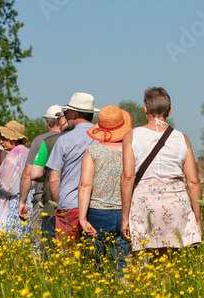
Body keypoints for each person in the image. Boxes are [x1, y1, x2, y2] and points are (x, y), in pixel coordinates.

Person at [121, 87, 202, 257]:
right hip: (176, 206)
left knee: (142, 260)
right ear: (170, 111)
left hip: (144, 205)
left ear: (145, 110)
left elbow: (128, 177)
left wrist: (125, 217)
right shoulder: (182, 138)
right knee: (171, 261)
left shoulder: (132, 136)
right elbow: (193, 181)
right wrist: (197, 219)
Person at [78, 105, 132, 273]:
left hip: (97, 213)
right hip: (125, 212)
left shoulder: (93, 151)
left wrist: (82, 218)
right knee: (124, 265)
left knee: (95, 266)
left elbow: (85, 185)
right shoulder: (131, 151)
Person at [46, 92, 99, 247]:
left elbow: (54, 179)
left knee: (66, 257)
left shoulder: (64, 140)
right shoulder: (102, 138)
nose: (65, 116)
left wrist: (58, 205)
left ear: (75, 114)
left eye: (67, 113)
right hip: (95, 205)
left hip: (69, 204)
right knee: (93, 256)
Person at [18, 105, 63, 247]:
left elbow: (28, 174)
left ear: (48, 122)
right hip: (70, 201)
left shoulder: (40, 141)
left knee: (40, 244)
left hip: (42, 199)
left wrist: (22, 201)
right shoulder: (70, 138)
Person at [29, 111, 70, 255]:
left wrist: (48, 177)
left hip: (53, 206)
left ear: (63, 121)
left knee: (50, 254)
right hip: (83, 209)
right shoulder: (92, 140)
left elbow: (34, 173)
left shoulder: (48, 141)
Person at [0, 120, 34, 238]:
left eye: (4, 138)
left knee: (12, 240)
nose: (1, 141)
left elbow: (8, 187)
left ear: (13, 139)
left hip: (14, 203)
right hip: (29, 201)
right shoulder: (30, 153)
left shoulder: (12, 155)